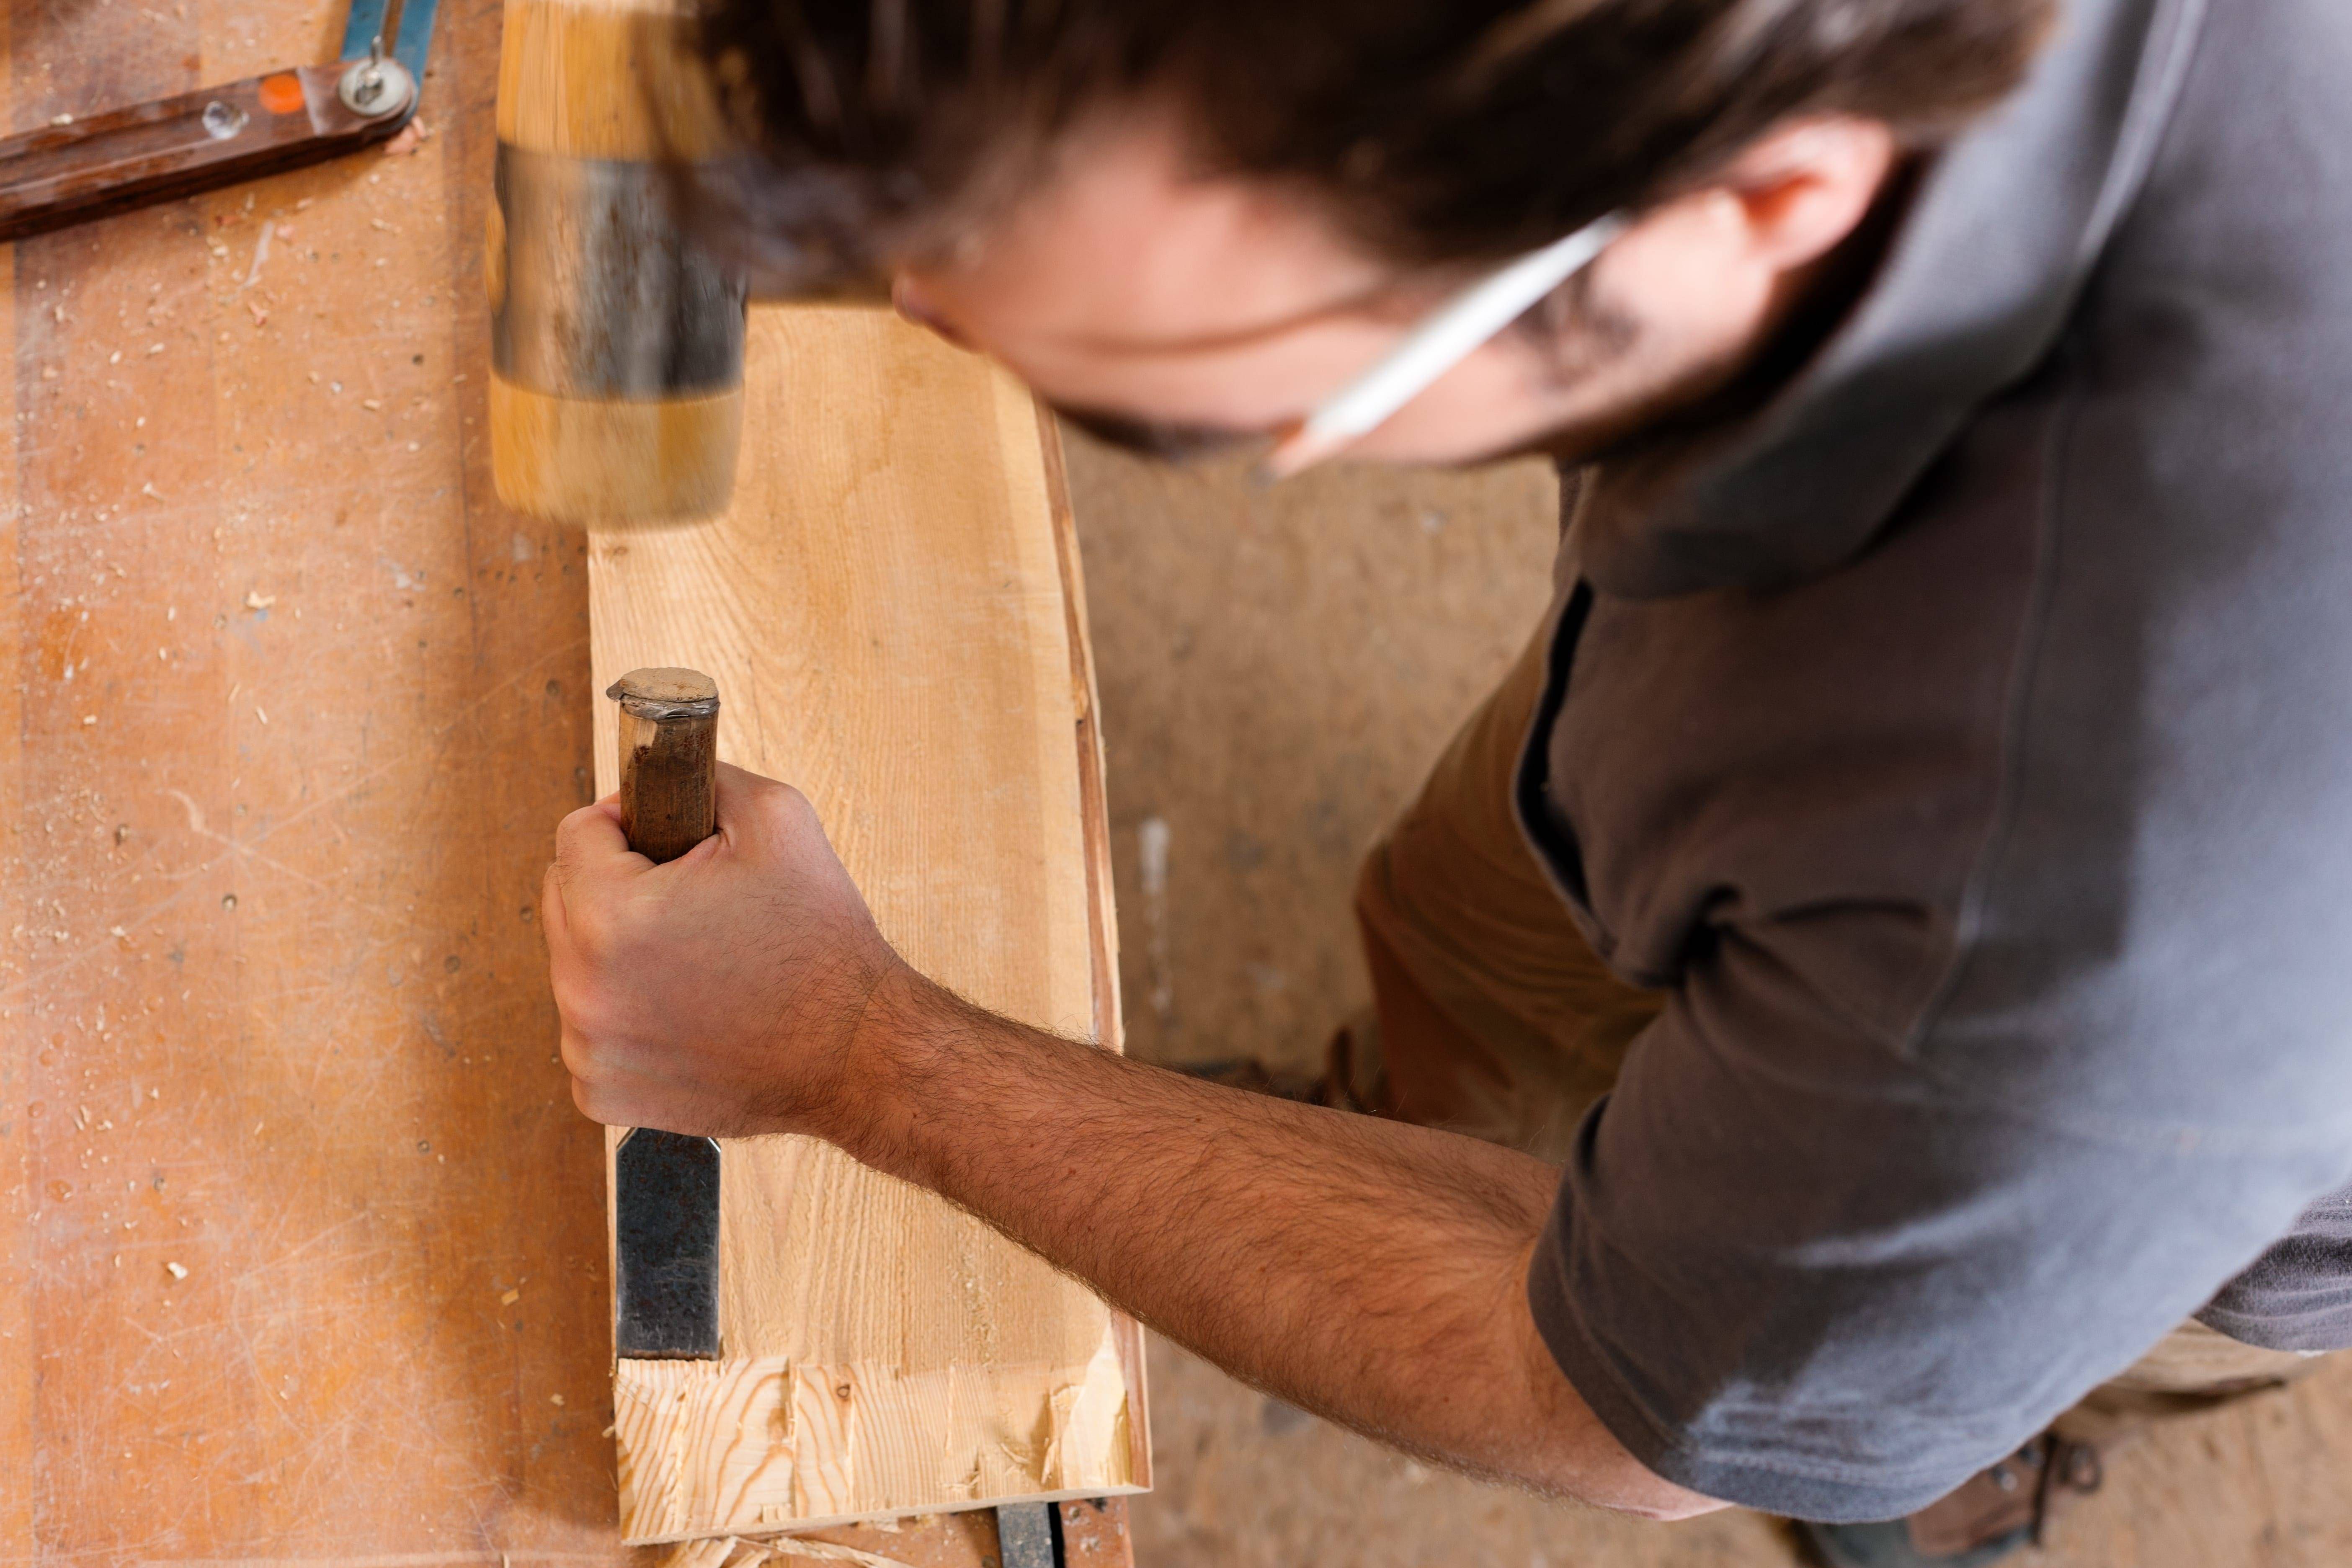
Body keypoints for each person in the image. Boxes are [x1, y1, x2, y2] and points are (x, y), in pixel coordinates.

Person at [540, 1, 2352, 1562]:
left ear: (1757, 201)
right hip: (1748, 666)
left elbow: (1608, 1408)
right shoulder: (1716, 180)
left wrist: (859, 1054)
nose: (924, 318)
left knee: (1906, 1348)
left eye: (1169, 409)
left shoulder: (2087, 885)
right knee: (1470, 927)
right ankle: (1397, 1135)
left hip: (2206, 1101)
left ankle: (1968, 1414)